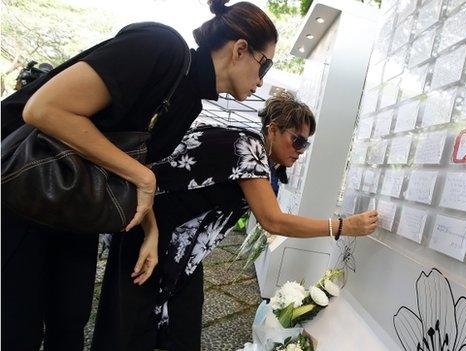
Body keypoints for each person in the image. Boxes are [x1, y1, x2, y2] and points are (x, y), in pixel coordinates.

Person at [1, 1, 278, 350]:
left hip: (77, 206)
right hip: (22, 189)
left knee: (70, 323)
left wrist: (151, 230)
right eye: (264, 65)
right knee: (15, 330)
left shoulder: (190, 101)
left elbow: (133, 167)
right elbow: (44, 109)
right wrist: (143, 178)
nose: (261, 82)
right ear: (240, 49)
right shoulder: (160, 47)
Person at [92, 92, 379, 351]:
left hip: (184, 248)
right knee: (129, 328)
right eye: (297, 140)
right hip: (148, 233)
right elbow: (272, 220)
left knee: (183, 328)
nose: (301, 150)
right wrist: (342, 226)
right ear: (273, 129)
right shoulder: (248, 147)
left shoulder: (263, 161)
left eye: (306, 144)